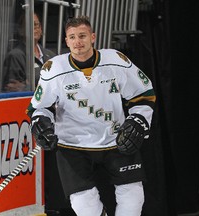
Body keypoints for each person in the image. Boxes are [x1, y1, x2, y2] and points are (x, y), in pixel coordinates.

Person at [26, 16, 156, 216]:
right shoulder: (54, 69)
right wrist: (41, 122)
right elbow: (40, 107)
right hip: (73, 144)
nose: (78, 42)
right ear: (66, 41)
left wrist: (138, 120)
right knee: (83, 206)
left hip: (116, 138)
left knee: (133, 196)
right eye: (72, 37)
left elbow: (143, 93)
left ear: (92, 37)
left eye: (82, 36)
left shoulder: (115, 60)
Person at [2, 12, 56, 92]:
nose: (34, 28)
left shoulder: (52, 56)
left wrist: (29, 87)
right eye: (29, 24)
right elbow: (12, 89)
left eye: (36, 25)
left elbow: (60, 85)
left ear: (41, 30)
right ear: (21, 30)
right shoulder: (15, 56)